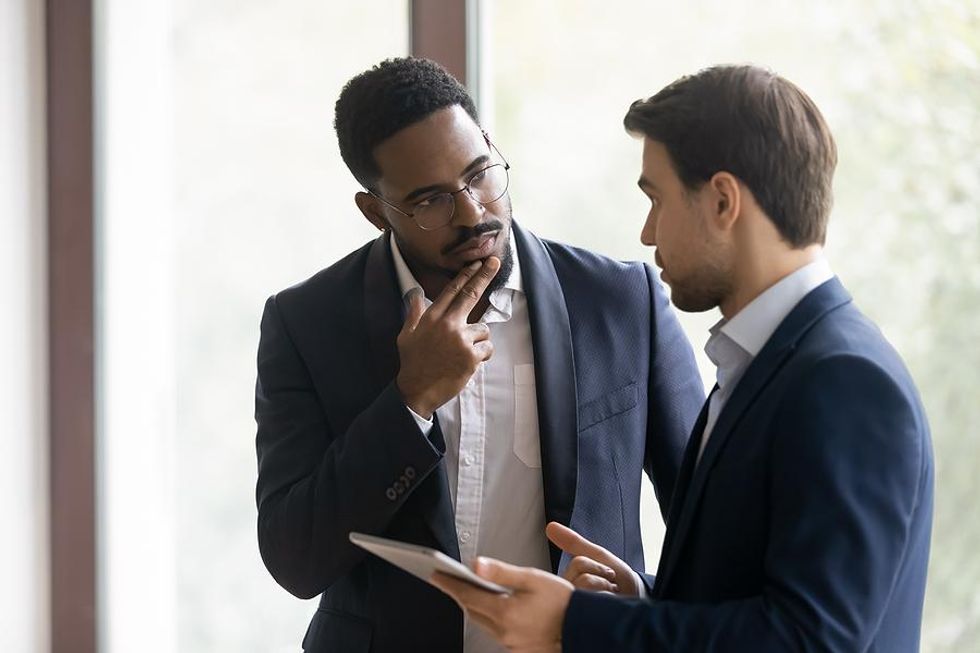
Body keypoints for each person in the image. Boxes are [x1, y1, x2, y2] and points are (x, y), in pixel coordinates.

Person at [433, 64, 934, 653]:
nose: (647, 234)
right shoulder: (764, 363)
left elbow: (811, 639)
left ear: (722, 201)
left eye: (657, 199)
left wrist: (576, 625)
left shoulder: (845, 380)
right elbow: (755, 599)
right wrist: (644, 600)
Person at [253, 57, 704, 653]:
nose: (472, 212)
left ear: (492, 145)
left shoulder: (623, 303)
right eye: (431, 201)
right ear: (375, 211)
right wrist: (409, 401)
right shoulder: (305, 323)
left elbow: (713, 528)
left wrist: (640, 605)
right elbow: (295, 558)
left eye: (480, 174)